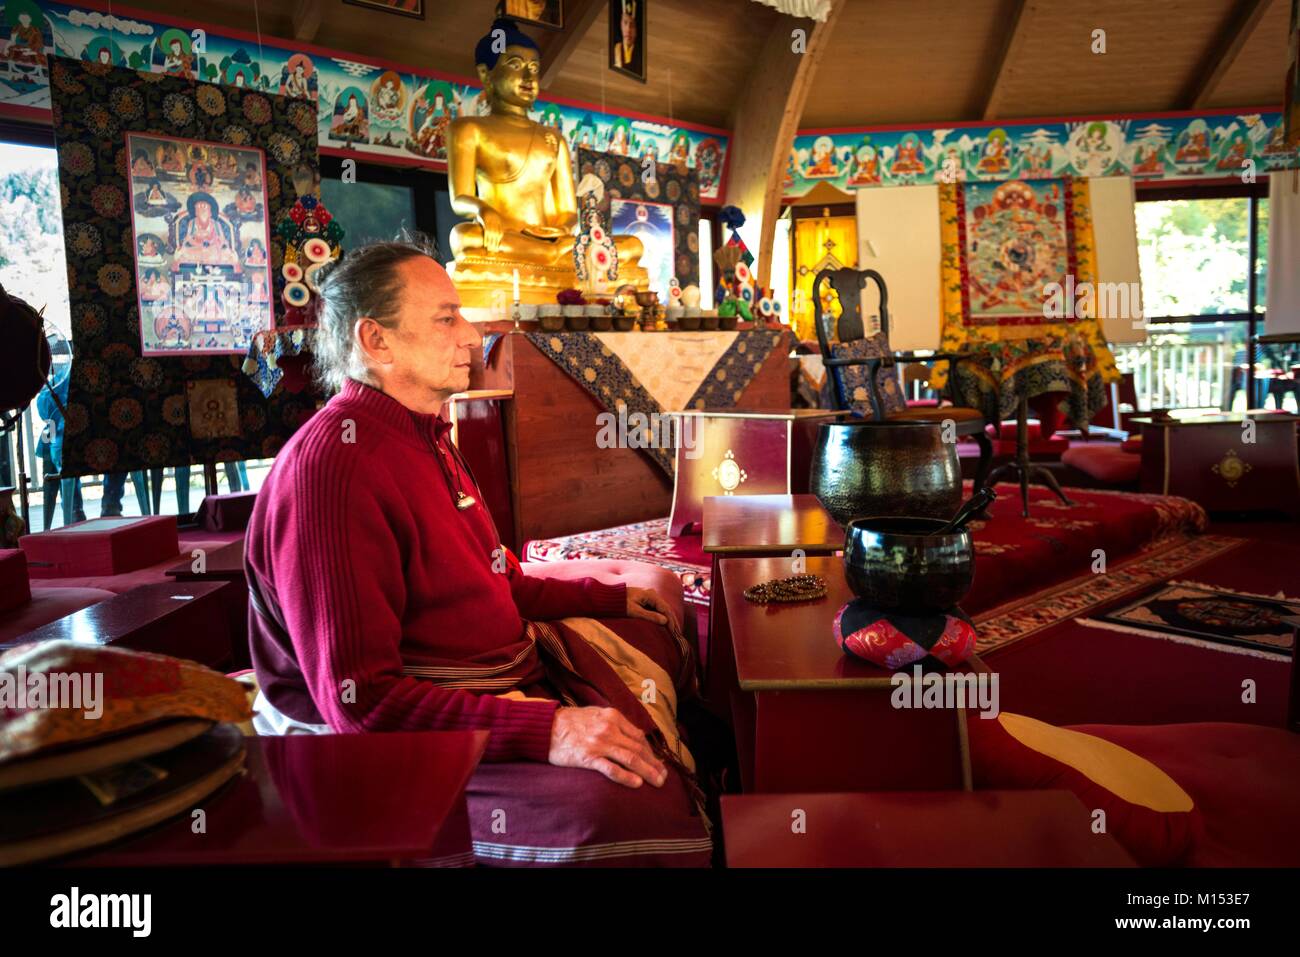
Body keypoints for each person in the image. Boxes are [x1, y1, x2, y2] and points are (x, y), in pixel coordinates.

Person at [243, 237, 712, 866]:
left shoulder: (428, 434)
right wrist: (549, 729)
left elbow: (498, 582)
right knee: (617, 807)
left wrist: (615, 596)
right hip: (375, 733)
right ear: (376, 342)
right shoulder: (333, 470)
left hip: (487, 666)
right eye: (446, 318)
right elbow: (362, 701)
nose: (472, 336)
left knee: (654, 637)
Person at [35, 364, 83, 529]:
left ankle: (74, 510)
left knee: (56, 449)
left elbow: (44, 410)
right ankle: (75, 510)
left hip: (59, 437)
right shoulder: (59, 378)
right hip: (57, 436)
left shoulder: (62, 377)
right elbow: (45, 410)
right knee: (55, 449)